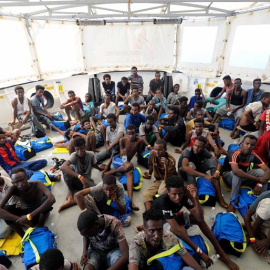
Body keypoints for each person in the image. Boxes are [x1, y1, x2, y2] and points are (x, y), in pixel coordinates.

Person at [152, 176, 239, 270]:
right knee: (181, 230)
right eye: (174, 194)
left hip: (173, 217)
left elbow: (200, 218)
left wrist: (194, 198)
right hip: (160, 225)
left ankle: (221, 252)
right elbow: (177, 230)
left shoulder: (183, 195)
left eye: (180, 194)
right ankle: (191, 257)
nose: (178, 197)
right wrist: (199, 251)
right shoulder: (163, 202)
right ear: (168, 192)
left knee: (197, 220)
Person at [129, 208, 202, 270]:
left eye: (160, 230)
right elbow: (133, 266)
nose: (156, 236)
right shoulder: (136, 243)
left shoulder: (169, 236)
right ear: (144, 229)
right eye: (152, 231)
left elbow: (185, 254)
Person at [0, 168, 55, 237]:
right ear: (13, 183)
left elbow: (52, 199)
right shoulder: (13, 188)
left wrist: (29, 216)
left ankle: (40, 227)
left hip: (39, 214)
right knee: (6, 208)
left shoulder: (37, 184)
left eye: (22, 180)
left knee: (46, 199)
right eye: (16, 182)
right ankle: (23, 236)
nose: (20, 184)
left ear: (27, 177)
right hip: (25, 217)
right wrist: (19, 219)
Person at [222, 135, 270, 213]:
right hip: (229, 177)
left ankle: (261, 201)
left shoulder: (253, 155)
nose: (249, 146)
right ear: (242, 144)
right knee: (237, 174)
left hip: (242, 177)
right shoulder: (234, 153)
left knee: (262, 172)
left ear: (254, 146)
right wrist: (257, 179)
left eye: (252, 145)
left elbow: (267, 170)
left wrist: (259, 184)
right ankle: (233, 202)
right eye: (247, 143)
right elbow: (235, 171)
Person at [102, 124, 144, 211]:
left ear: (136, 132)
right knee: (129, 166)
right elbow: (121, 155)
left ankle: (130, 201)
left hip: (126, 163)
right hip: (117, 160)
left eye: (132, 133)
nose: (131, 136)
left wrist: (141, 159)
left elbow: (139, 152)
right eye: (128, 134)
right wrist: (123, 153)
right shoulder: (122, 140)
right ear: (126, 133)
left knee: (130, 172)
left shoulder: (140, 140)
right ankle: (111, 172)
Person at [178, 136, 227, 207]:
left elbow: (216, 161)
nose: (196, 148)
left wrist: (216, 173)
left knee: (212, 161)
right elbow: (184, 167)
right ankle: (193, 192)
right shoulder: (187, 151)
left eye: (199, 147)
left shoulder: (204, 151)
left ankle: (217, 191)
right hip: (184, 172)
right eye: (195, 145)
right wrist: (204, 175)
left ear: (204, 147)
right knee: (191, 165)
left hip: (196, 169)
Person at [59, 137, 103, 212]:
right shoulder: (74, 155)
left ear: (85, 147)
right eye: (77, 149)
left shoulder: (91, 154)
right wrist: (80, 177)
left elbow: (94, 164)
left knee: (98, 193)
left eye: (82, 148)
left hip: (86, 180)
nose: (80, 152)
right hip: (75, 178)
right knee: (67, 169)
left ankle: (73, 201)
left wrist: (100, 168)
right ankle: (70, 189)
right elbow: (62, 167)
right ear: (75, 149)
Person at [143, 139, 177, 210]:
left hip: (169, 180)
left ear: (165, 149)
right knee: (146, 194)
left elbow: (166, 180)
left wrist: (166, 166)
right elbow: (151, 165)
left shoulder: (171, 160)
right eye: (155, 149)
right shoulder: (153, 153)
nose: (157, 152)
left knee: (161, 192)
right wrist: (149, 174)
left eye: (160, 150)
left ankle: (161, 203)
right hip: (158, 180)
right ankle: (149, 213)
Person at [244, 190, 270, 259]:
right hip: (261, 220)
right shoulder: (267, 196)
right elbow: (247, 216)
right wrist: (252, 240)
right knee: (268, 207)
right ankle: (254, 228)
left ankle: (253, 228)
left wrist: (268, 240)